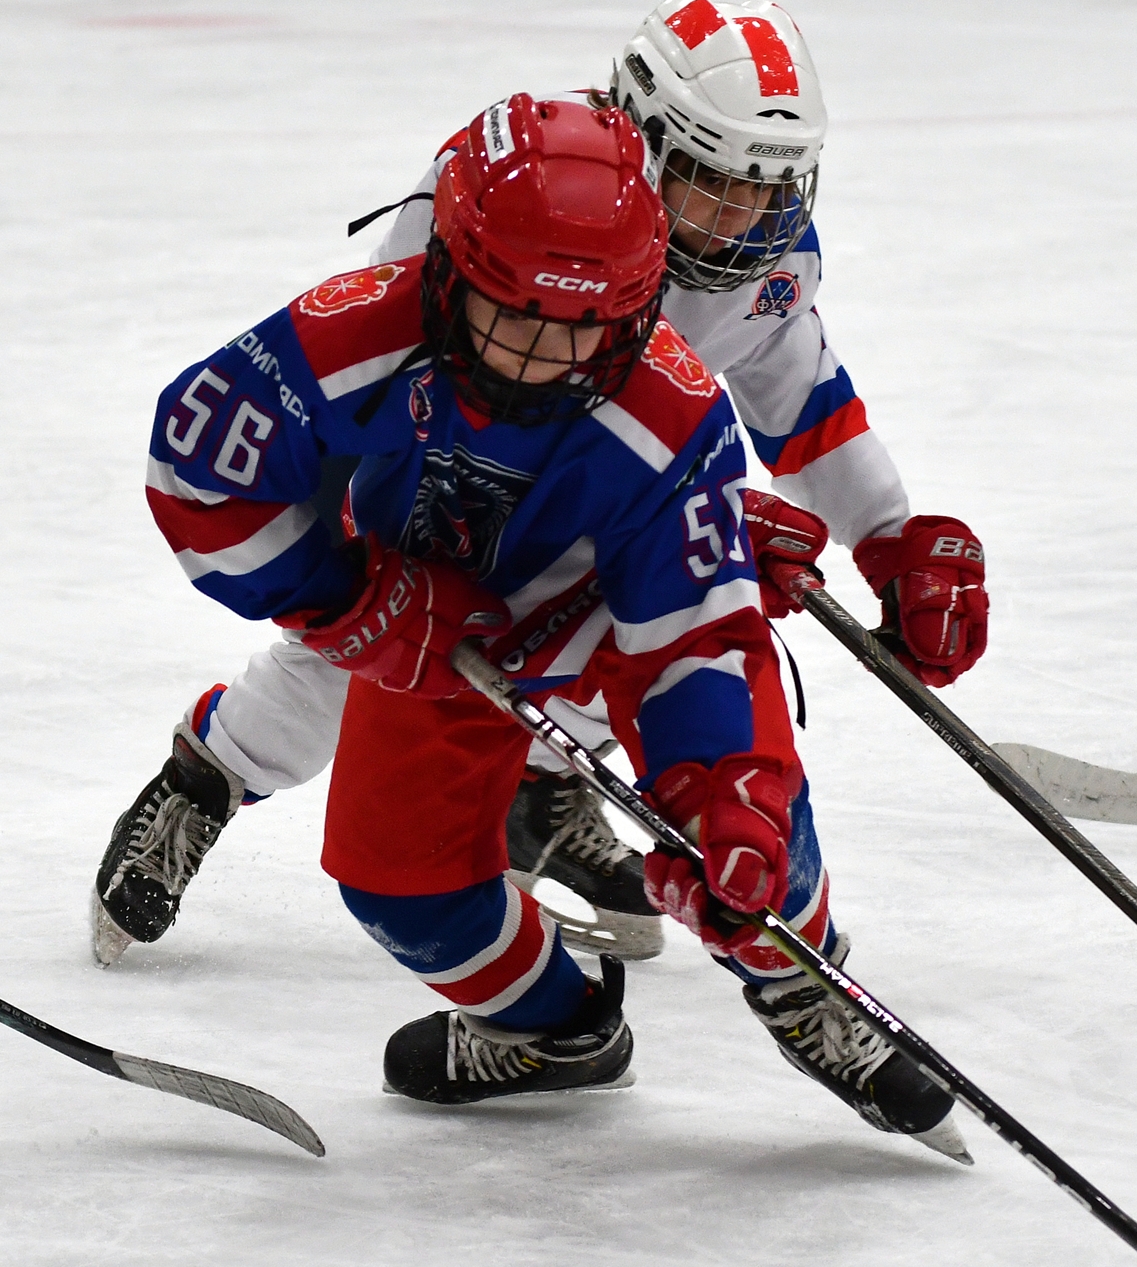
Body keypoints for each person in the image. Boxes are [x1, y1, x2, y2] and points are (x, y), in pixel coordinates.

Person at [136, 92, 969, 1157]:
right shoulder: (366, 321)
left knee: (735, 820)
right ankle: (560, 1031)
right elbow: (201, 469)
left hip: (604, 603)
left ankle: (801, 980)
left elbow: (697, 642)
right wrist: (354, 602)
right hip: (443, 619)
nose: (540, 354)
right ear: (450, 273)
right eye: (512, 316)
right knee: (400, 887)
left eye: (581, 329)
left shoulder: (674, 409)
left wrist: (728, 802)